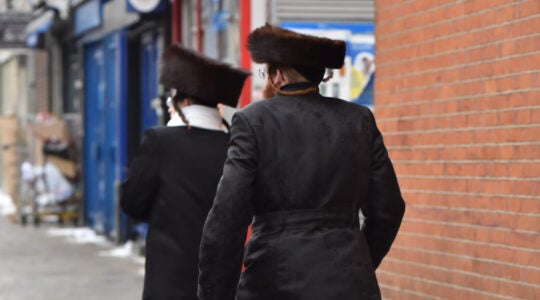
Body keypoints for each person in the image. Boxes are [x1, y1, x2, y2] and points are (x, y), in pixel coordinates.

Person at [198, 24, 405, 300]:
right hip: (350, 284)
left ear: (278, 74)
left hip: (274, 282)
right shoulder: (358, 120)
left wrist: (215, 293)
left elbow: (227, 217)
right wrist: (358, 262)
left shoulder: (253, 121)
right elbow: (388, 210)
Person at [121, 44, 249, 299]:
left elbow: (133, 203)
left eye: (173, 98)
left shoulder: (160, 141)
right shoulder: (235, 146)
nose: (169, 105)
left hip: (170, 280)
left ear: (185, 101)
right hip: (224, 281)